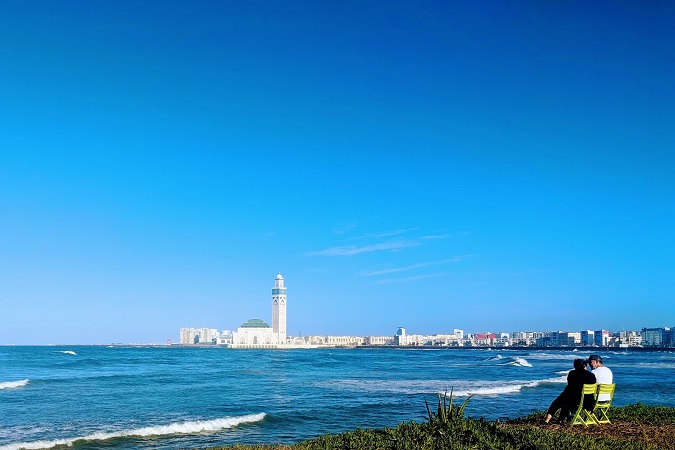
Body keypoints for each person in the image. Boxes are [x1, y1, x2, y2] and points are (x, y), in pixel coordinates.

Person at [544, 358, 596, 424]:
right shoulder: (591, 375)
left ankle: (547, 420)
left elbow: (571, 386)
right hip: (589, 403)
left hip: (576, 402)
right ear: (584, 366)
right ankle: (562, 419)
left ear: (575, 366)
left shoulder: (572, 373)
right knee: (565, 401)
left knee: (557, 403)